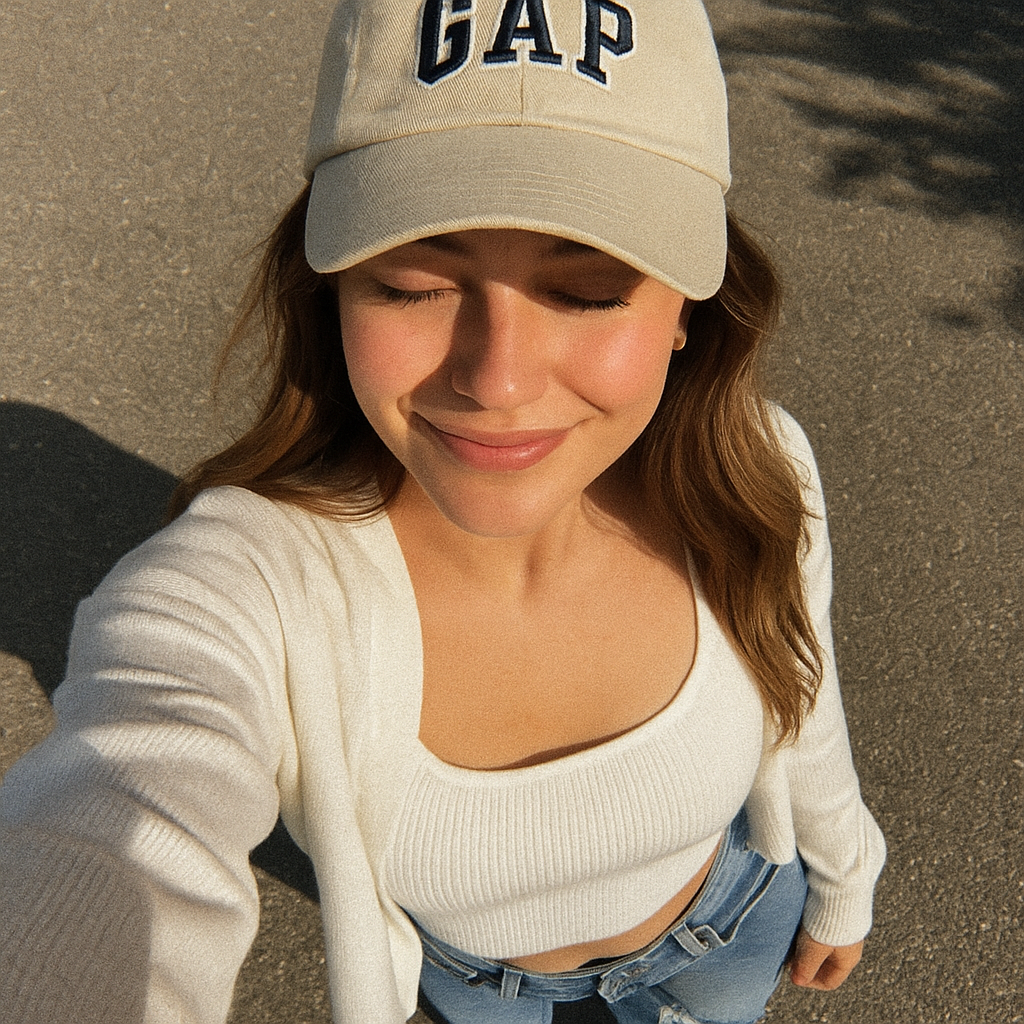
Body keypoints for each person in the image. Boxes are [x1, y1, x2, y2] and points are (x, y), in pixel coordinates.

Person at [0, 1, 886, 1022]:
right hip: (479, 986)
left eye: (589, 290)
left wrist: (843, 869)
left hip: (732, 927)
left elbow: (802, 682)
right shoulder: (252, 591)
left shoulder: (758, 465)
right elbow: (118, 808)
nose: (497, 379)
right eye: (410, 283)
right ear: (326, 293)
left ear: (689, 306)